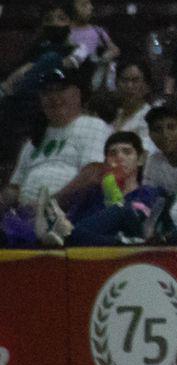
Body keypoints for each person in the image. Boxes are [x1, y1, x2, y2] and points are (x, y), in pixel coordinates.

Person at [0, 70, 114, 244]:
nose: (53, 97)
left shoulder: (92, 126)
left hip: (69, 214)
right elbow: (15, 187)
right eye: (47, 92)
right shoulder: (34, 140)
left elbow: (93, 174)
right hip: (26, 216)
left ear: (77, 94)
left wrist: (49, 206)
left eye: (60, 89)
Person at [48, 131, 165, 247]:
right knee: (69, 232)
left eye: (127, 152)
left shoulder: (148, 192)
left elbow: (138, 216)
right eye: (113, 154)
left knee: (120, 209)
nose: (119, 157)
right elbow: (72, 224)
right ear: (106, 163)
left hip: (130, 253)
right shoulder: (92, 194)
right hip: (88, 253)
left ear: (140, 159)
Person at [64, 0, 118, 91]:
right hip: (72, 80)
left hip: (94, 79)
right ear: (71, 8)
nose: (90, 7)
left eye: (90, 4)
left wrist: (108, 55)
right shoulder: (65, 32)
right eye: (84, 5)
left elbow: (115, 49)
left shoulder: (97, 31)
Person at [141, 105, 177, 197]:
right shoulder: (152, 162)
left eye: (171, 127)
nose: (165, 135)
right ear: (150, 135)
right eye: (157, 129)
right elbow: (147, 195)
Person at [108, 59, 156, 148]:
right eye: (124, 80)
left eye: (135, 81)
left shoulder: (150, 119)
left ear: (146, 86)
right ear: (117, 84)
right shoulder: (112, 114)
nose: (129, 86)